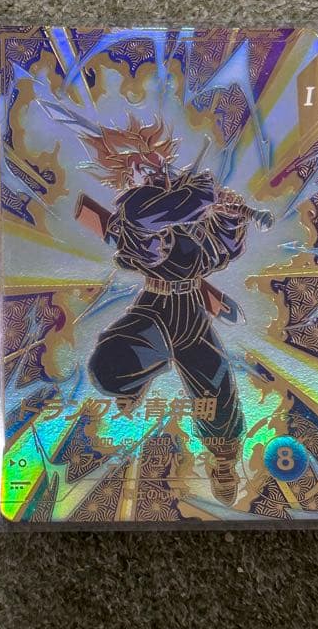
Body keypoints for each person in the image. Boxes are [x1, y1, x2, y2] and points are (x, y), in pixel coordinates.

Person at [76, 114, 272, 505]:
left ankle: (223, 461)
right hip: (155, 309)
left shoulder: (184, 208)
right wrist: (203, 195)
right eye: (139, 165)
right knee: (107, 368)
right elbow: (159, 225)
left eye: (153, 160)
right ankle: (140, 376)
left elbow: (215, 256)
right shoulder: (136, 209)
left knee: (217, 389)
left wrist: (229, 218)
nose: (150, 168)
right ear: (128, 173)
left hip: (192, 311)